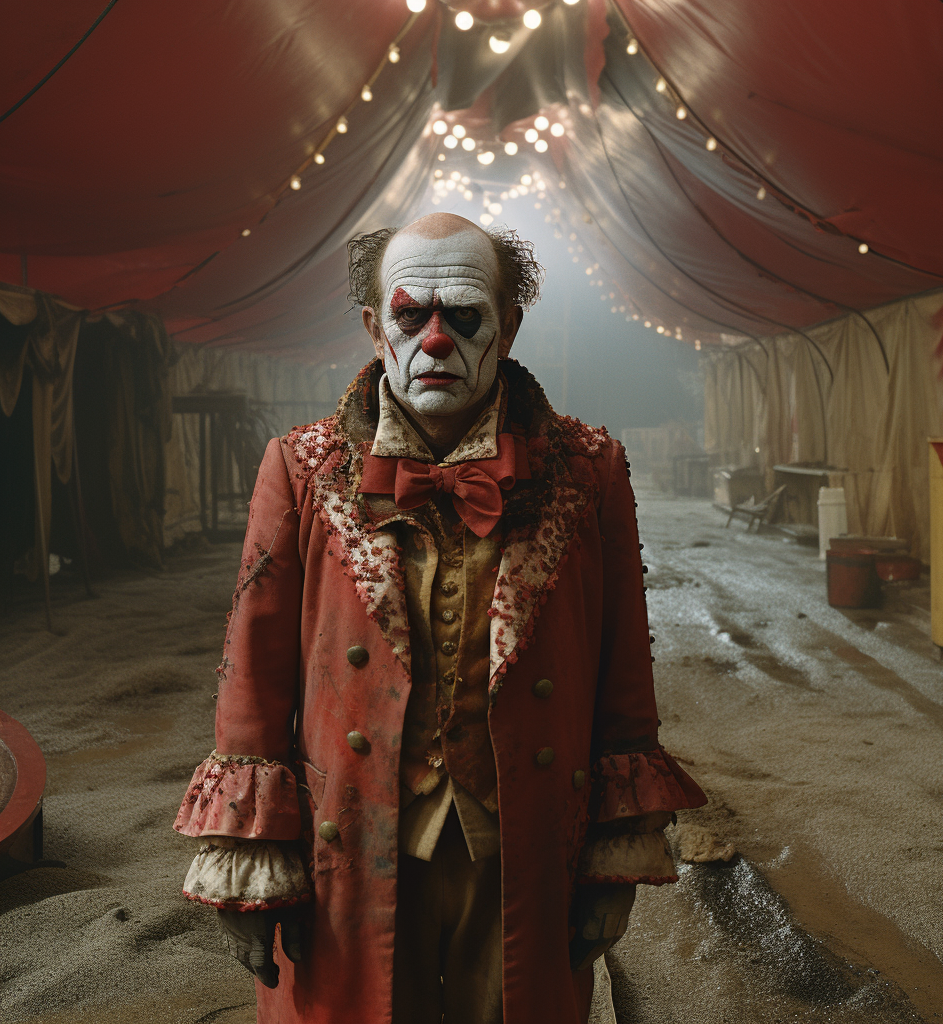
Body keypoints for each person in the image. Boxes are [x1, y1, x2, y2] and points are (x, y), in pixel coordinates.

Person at [174, 212, 705, 1024]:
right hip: (350, 847)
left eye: (464, 317)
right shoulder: (301, 467)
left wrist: (614, 855)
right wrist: (251, 853)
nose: (434, 342)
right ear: (372, 326)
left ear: (510, 325)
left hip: (524, 849)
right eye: (409, 314)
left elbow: (623, 678)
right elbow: (253, 674)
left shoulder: (589, 471)